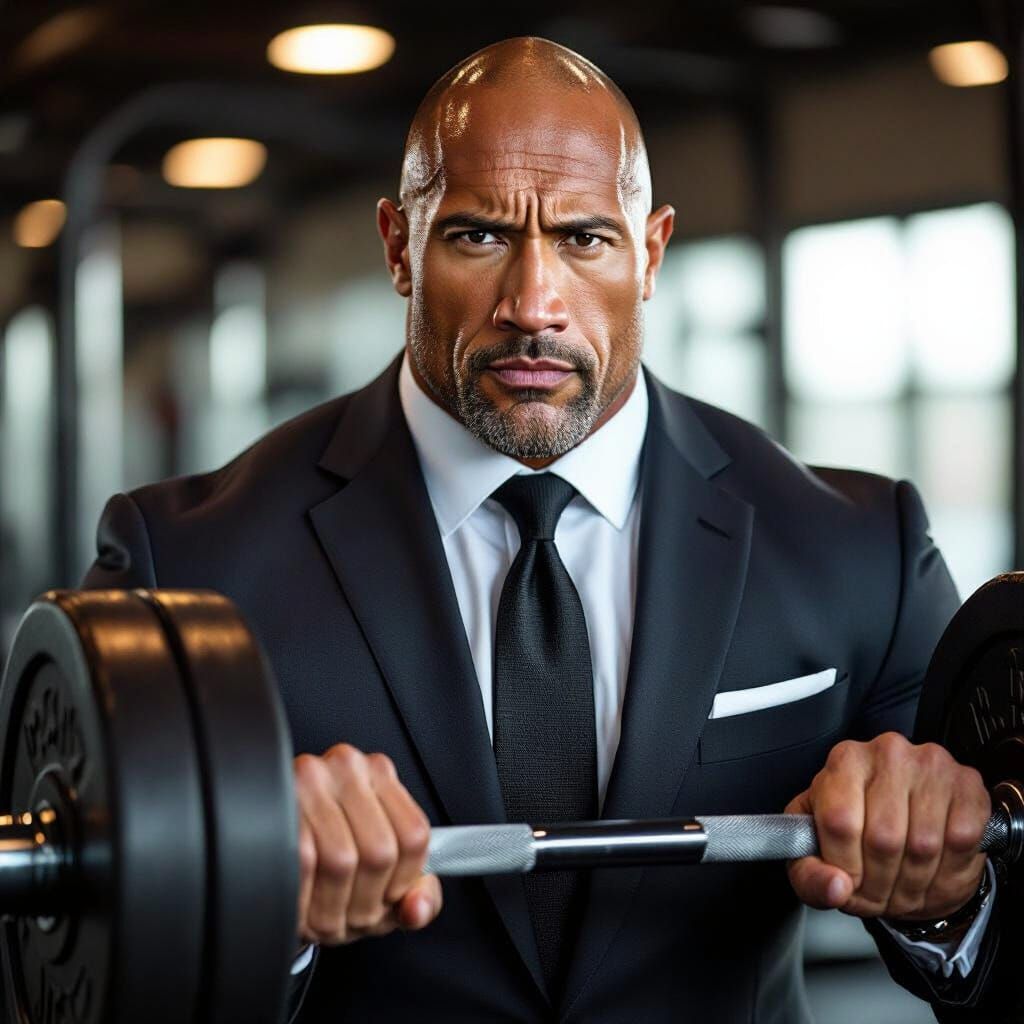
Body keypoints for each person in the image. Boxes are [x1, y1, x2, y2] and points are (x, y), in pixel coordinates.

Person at [84, 37, 1012, 1023]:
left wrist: (951, 896)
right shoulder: (184, 568)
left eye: (584, 239)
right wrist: (264, 911)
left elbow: (1006, 946)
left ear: (650, 252)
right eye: (479, 235)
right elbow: (104, 969)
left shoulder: (858, 550)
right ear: (399, 246)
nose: (533, 306)